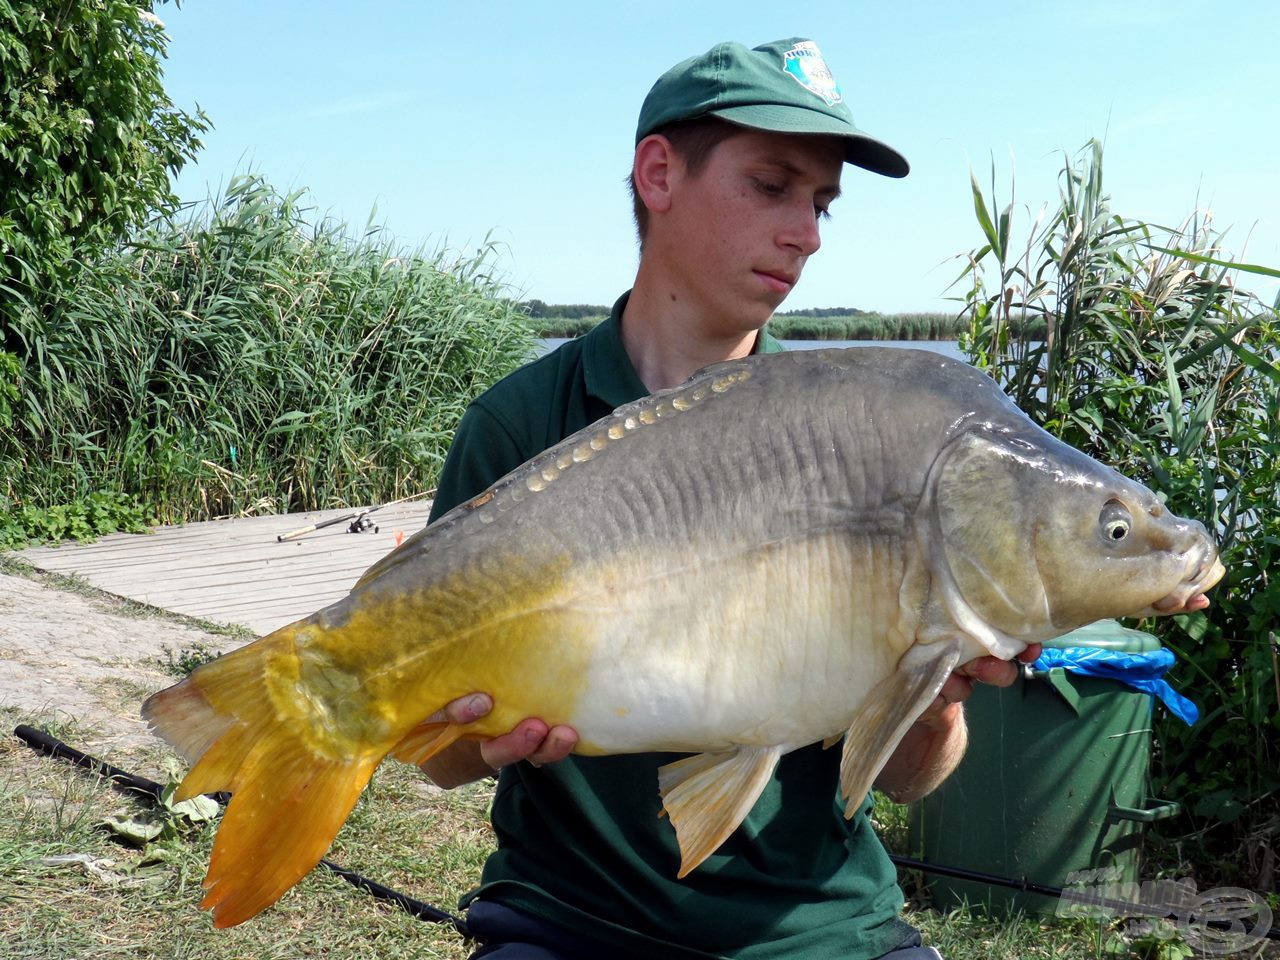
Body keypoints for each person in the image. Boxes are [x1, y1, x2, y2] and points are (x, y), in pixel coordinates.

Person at [422, 37, 1041, 960]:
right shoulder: (523, 426)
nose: (808, 231)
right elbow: (438, 754)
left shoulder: (862, 440)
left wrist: (939, 695)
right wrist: (488, 741)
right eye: (772, 185)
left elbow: (910, 781)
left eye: (823, 202)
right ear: (659, 174)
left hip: (824, 926)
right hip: (572, 918)